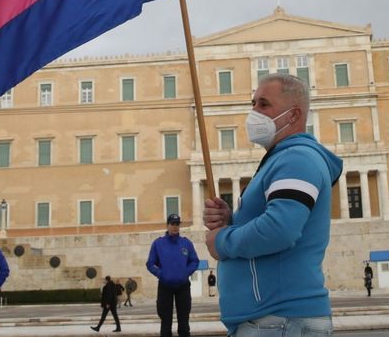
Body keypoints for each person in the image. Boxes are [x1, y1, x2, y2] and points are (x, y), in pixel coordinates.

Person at [203, 73, 343, 337]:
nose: (254, 111)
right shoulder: (283, 159)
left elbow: (279, 230)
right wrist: (231, 221)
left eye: (264, 104)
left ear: (293, 115)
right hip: (275, 321)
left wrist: (222, 240)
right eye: (253, 103)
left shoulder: (297, 158)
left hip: (280, 320)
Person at [146, 213, 200, 337]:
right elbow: (150, 263)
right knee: (165, 322)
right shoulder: (158, 244)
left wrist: (185, 272)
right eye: (173, 224)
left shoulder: (186, 243)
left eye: (177, 224)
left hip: (183, 286)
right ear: (167, 225)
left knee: (184, 323)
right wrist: (161, 274)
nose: (175, 227)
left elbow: (194, 261)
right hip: (165, 286)